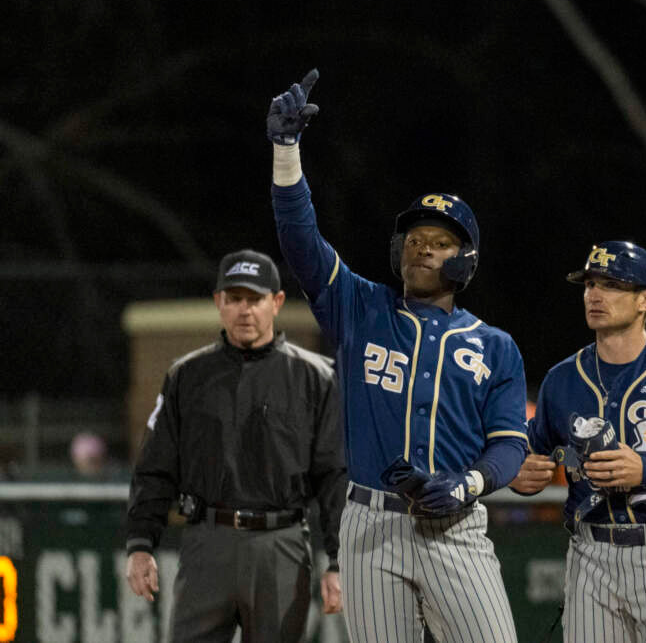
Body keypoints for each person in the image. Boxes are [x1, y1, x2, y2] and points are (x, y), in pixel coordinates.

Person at [267, 69, 528, 643]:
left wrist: (468, 484)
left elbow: (510, 444)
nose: (423, 250)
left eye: (439, 243)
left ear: (465, 260)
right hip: (370, 526)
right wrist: (287, 152)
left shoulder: (494, 345)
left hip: (456, 526)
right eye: (414, 241)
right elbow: (300, 240)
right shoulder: (360, 308)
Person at [510, 240, 646, 642]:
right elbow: (528, 451)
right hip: (590, 554)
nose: (595, 295)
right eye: (590, 284)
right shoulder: (563, 379)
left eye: (611, 285)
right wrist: (519, 474)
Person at [124, 248, 345, 643]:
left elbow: (335, 477)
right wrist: (140, 543)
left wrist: (338, 559)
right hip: (208, 540)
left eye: (255, 299)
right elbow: (155, 467)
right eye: (235, 298)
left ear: (276, 302)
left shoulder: (316, 378)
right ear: (218, 302)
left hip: (281, 544)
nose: (245, 310)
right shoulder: (187, 375)